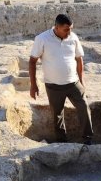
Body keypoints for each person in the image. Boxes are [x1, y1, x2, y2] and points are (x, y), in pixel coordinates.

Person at [29, 14, 93, 144]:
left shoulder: (73, 37)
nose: (69, 32)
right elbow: (32, 61)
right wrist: (33, 84)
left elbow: (79, 59)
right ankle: (61, 142)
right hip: (53, 85)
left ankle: (87, 139)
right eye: (66, 29)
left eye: (70, 29)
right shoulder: (42, 39)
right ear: (56, 27)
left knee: (84, 106)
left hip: (73, 82)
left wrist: (81, 80)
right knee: (57, 114)